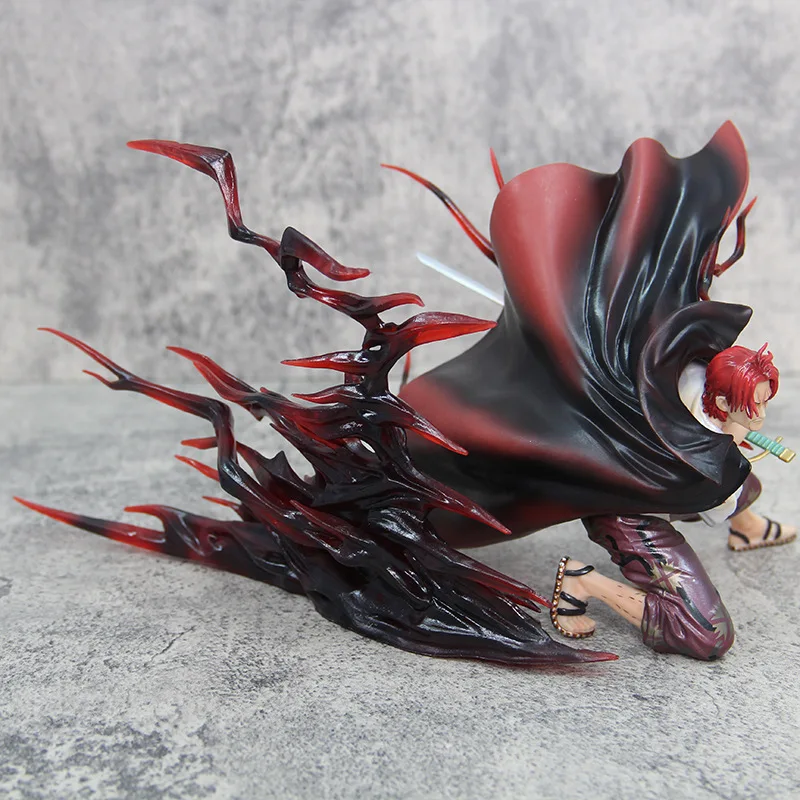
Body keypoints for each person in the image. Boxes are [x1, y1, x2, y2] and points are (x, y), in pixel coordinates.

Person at [551, 344, 795, 658]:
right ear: (722, 402)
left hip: (658, 484)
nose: (761, 414)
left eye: (764, 401)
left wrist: (732, 429)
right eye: (754, 405)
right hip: (626, 510)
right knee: (708, 635)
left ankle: (747, 528)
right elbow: (717, 495)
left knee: (746, 482)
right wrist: (730, 437)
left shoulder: (695, 373)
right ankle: (583, 582)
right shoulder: (701, 449)